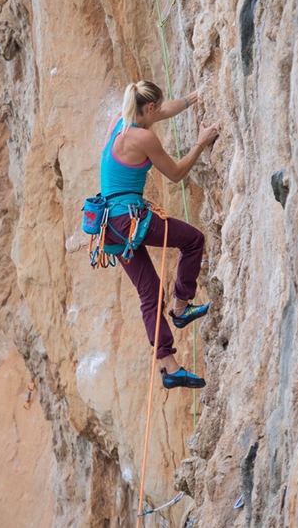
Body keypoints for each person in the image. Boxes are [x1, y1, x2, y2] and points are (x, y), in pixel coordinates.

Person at [100, 81, 218, 389]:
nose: (160, 113)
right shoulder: (144, 137)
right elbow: (176, 173)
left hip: (109, 226)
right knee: (193, 241)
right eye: (157, 109)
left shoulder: (120, 121)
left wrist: (196, 95)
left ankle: (170, 368)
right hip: (130, 220)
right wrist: (201, 142)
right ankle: (181, 307)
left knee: (149, 294)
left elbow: (166, 109)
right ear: (148, 109)